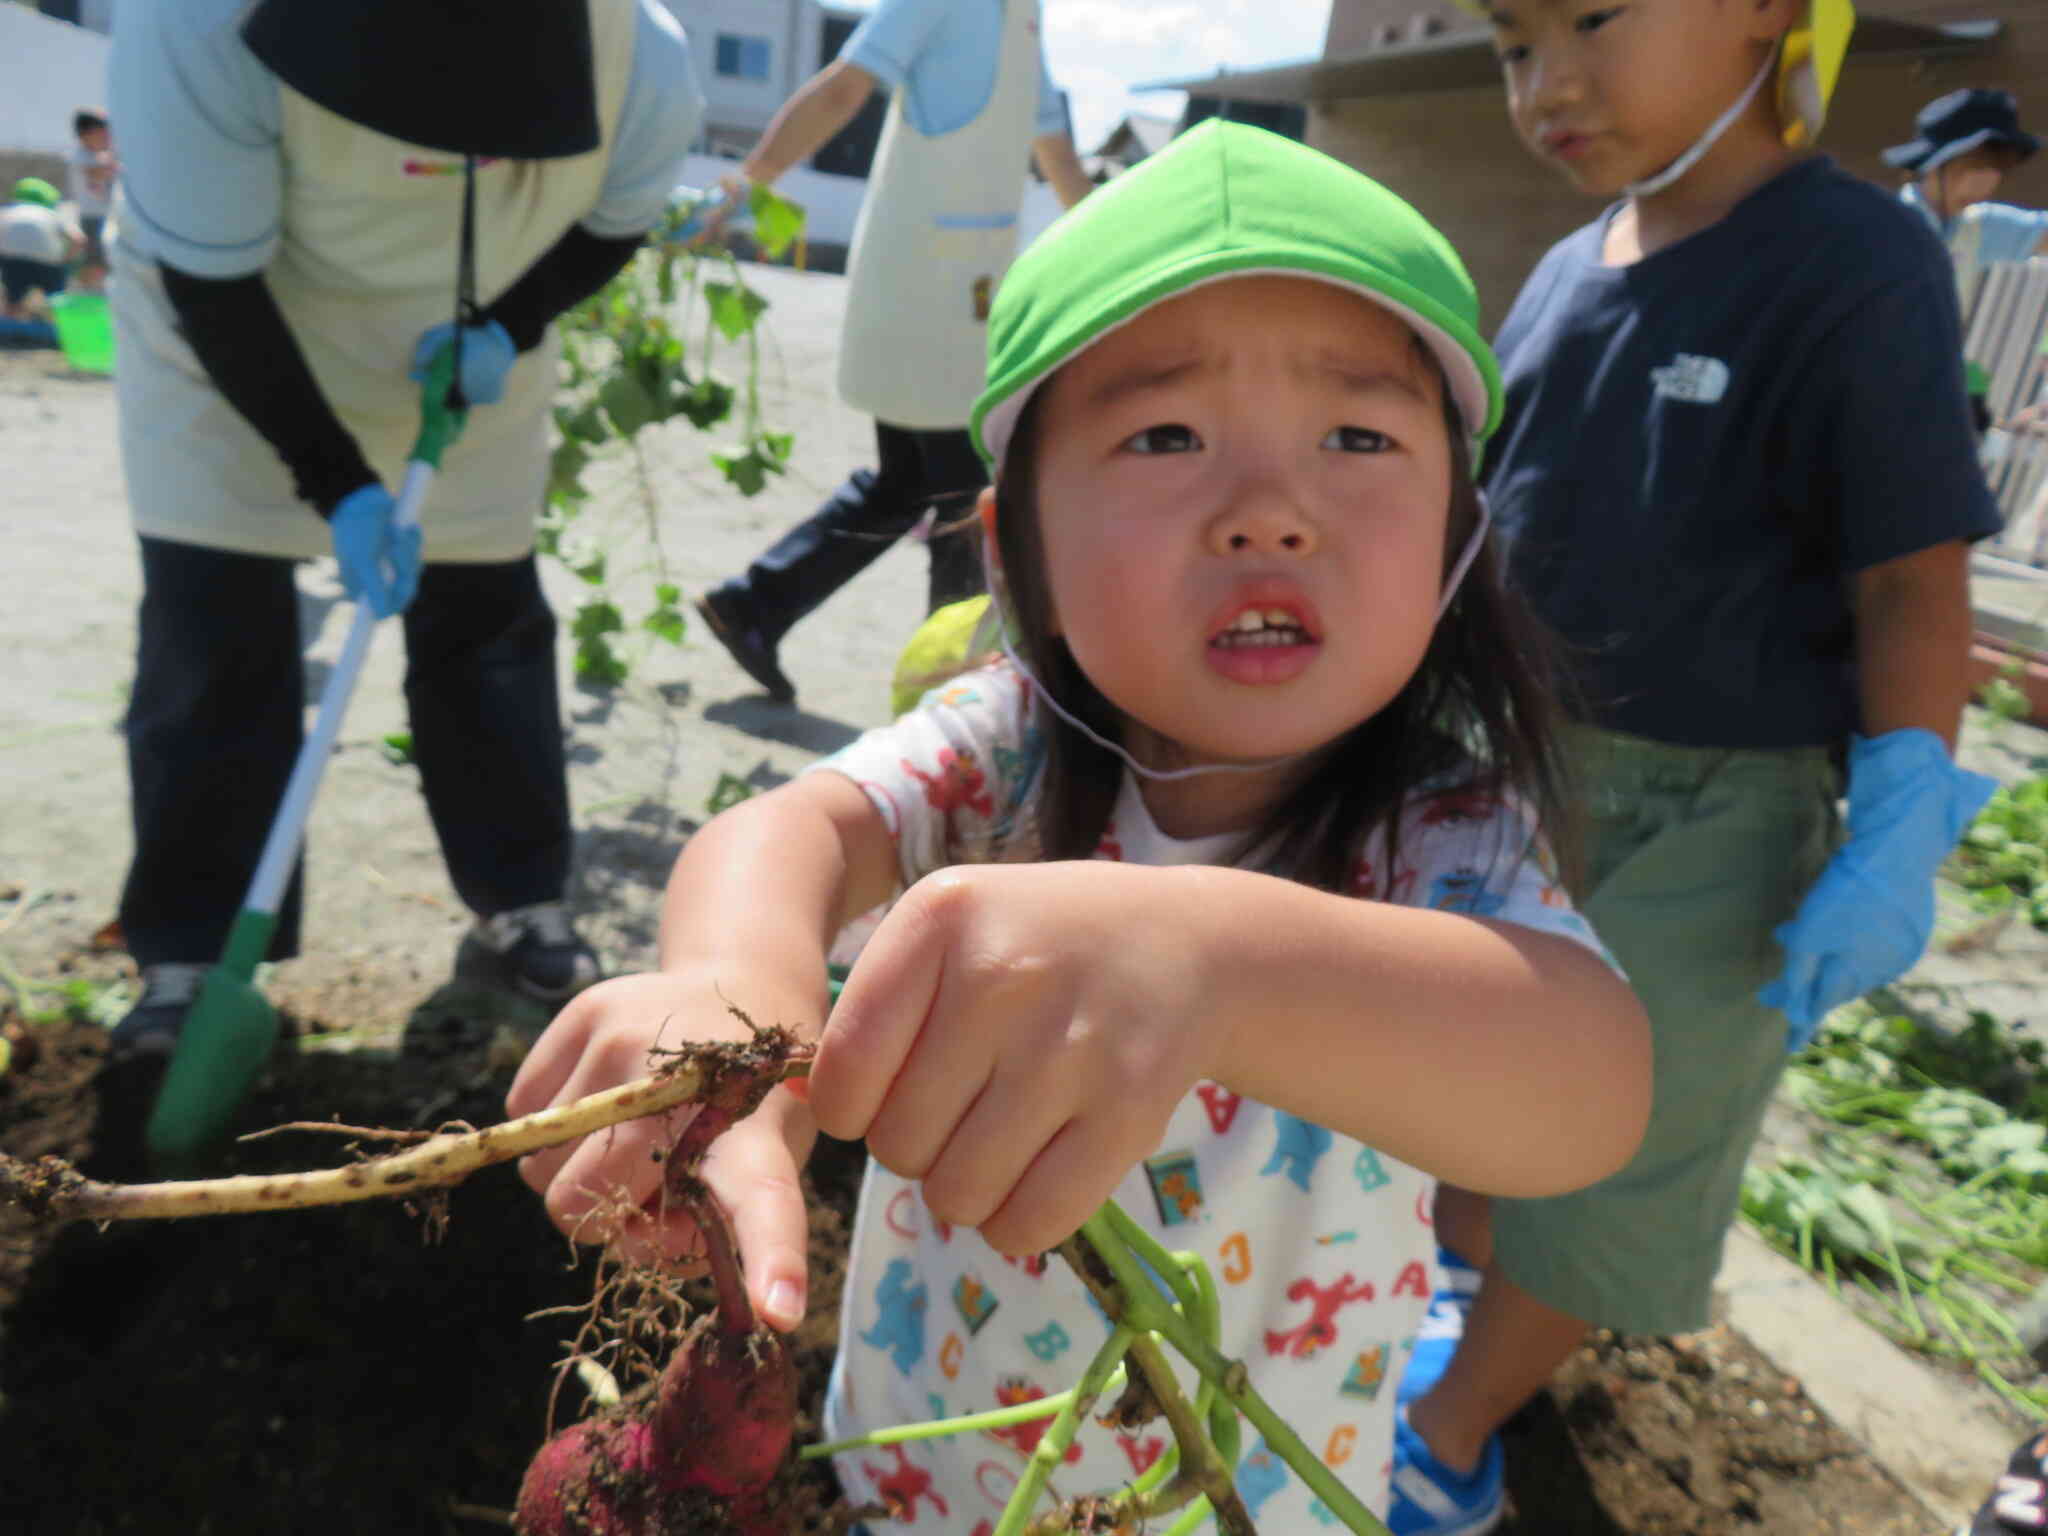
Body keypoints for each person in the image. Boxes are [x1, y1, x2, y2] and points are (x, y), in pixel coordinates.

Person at [509, 121, 1653, 1531]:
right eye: (1165, 435)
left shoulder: (1439, 832)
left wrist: (1221, 965)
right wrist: (733, 994)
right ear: (1015, 550)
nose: (1272, 512)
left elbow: (1588, 1086)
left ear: (1459, 537)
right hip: (933, 1458)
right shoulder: (1004, 751)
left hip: (1243, 1496)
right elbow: (790, 831)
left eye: (1358, 436)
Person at [1387, 2, 2004, 1531]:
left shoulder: (1858, 258)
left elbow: (1913, 581)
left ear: (1765, 15)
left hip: (1712, 811)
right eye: (1514, 46)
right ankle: (1438, 1309)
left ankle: (1442, 1441)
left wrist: (1902, 820)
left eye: (1594, 17)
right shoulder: (1556, 272)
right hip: (1507, 770)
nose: (1551, 81)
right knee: (1459, 1080)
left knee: (1624, 1147)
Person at [102, 0, 705, 1058]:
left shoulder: (638, 56)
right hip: (235, 339)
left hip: (461, 355)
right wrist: (339, 485)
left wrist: (505, 330)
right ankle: (190, 953)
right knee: (213, 627)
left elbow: (615, 220)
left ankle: (521, 900)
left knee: (487, 624)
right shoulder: (191, 23)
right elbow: (211, 281)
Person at [691, 0, 1094, 705]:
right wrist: (742, 186)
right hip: (924, 287)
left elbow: (1055, 151)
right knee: (967, 499)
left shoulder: (1021, 17)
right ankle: (949, 696)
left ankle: (756, 606)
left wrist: (1121, 257)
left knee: (908, 483)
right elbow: (845, 88)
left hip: (958, 287)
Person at [1888, 88, 2048, 269]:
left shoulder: (1981, 226)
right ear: (1934, 164)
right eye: (1975, 164)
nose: (1985, 185)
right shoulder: (1883, 227)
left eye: (1999, 167)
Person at [0, 177, 81, 321]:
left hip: (13, 261)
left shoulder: (10, 211)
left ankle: (10, 319)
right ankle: (56, 323)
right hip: (48, 262)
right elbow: (78, 239)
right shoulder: (53, 214)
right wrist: (66, 261)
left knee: (13, 296)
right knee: (56, 298)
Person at [67, 107, 118, 295]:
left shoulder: (101, 156)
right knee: (94, 264)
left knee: (104, 263)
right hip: (91, 218)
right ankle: (87, 297)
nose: (107, 135)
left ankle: (94, 294)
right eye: (102, 131)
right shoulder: (80, 155)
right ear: (85, 134)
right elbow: (98, 171)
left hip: (106, 217)